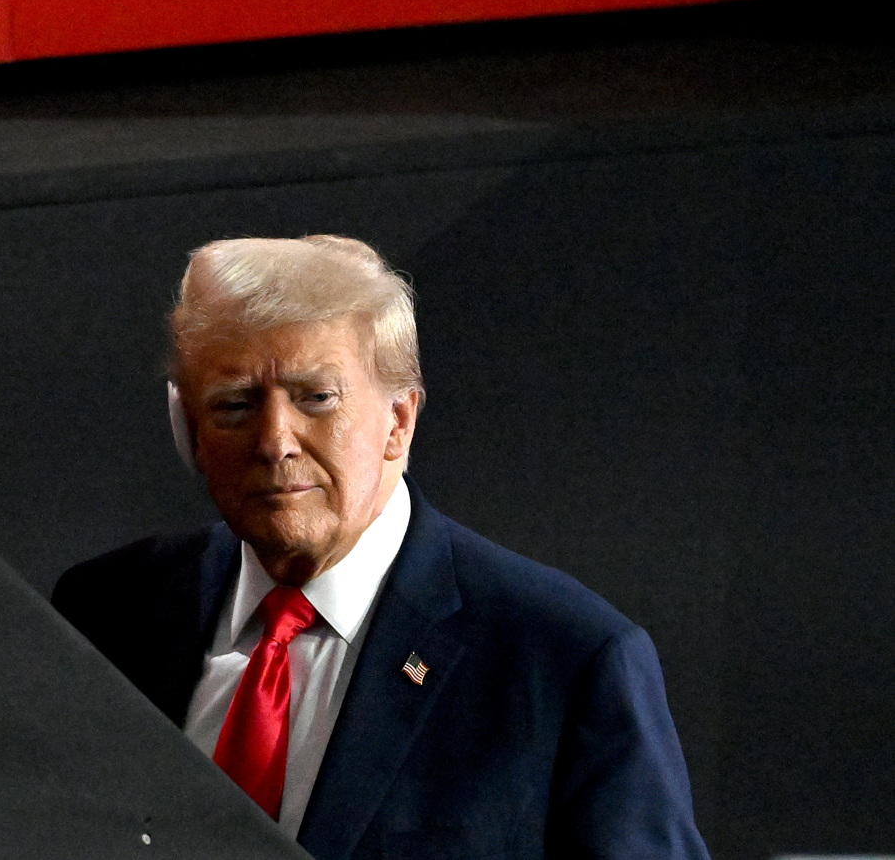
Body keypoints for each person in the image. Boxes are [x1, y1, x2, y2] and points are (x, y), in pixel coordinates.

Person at [52, 235, 709, 860]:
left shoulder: (564, 662)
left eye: (315, 397)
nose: (275, 440)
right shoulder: (106, 614)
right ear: (190, 432)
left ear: (399, 421)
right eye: (235, 404)